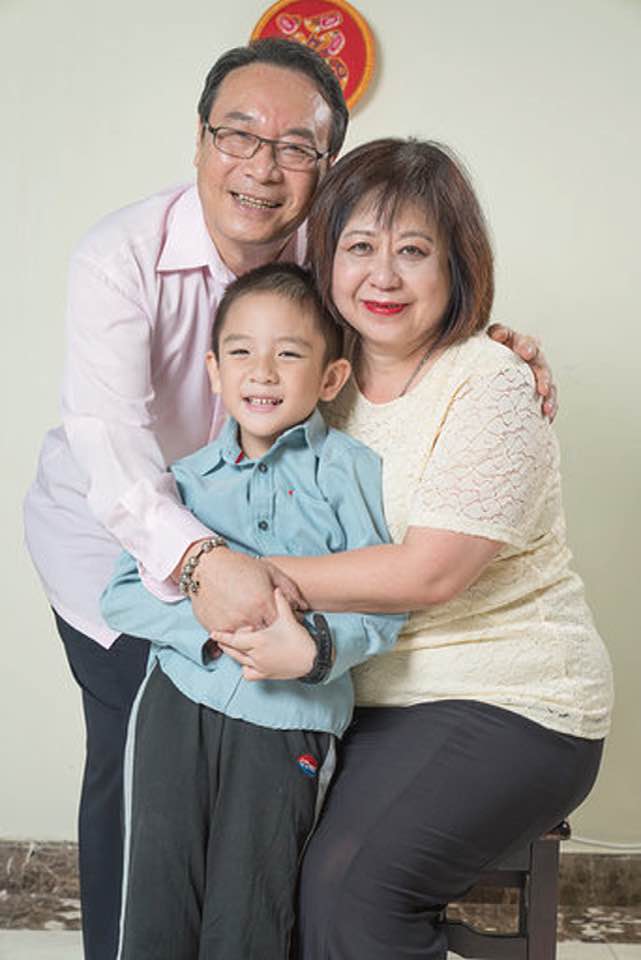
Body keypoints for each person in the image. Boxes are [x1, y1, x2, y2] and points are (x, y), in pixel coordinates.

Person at [23, 36, 555, 960]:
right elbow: (113, 450)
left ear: (326, 163)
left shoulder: (332, 254)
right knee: (144, 791)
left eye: (296, 147)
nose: (262, 168)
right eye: (238, 135)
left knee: (261, 806)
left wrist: (484, 338)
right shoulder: (119, 257)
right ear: (200, 139)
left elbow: (404, 308)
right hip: (125, 544)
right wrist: (201, 564)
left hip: (284, 576)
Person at [203, 139, 614, 960]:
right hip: (356, 695)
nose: (382, 277)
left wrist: (245, 579)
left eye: (413, 252)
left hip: (509, 700)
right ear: (325, 261)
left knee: (352, 895)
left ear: (456, 265)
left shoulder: (489, 382)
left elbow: (430, 571)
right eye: (359, 247)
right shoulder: (316, 383)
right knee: (249, 870)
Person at [100, 262, 404, 959]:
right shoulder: (183, 484)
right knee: (156, 898)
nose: (262, 372)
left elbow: (384, 605)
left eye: (289, 354)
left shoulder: (349, 473)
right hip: (177, 710)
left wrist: (314, 648)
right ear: (214, 370)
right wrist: (212, 630)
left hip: (289, 721)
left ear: (330, 378)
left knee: (251, 910)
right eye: (240, 351)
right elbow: (121, 593)